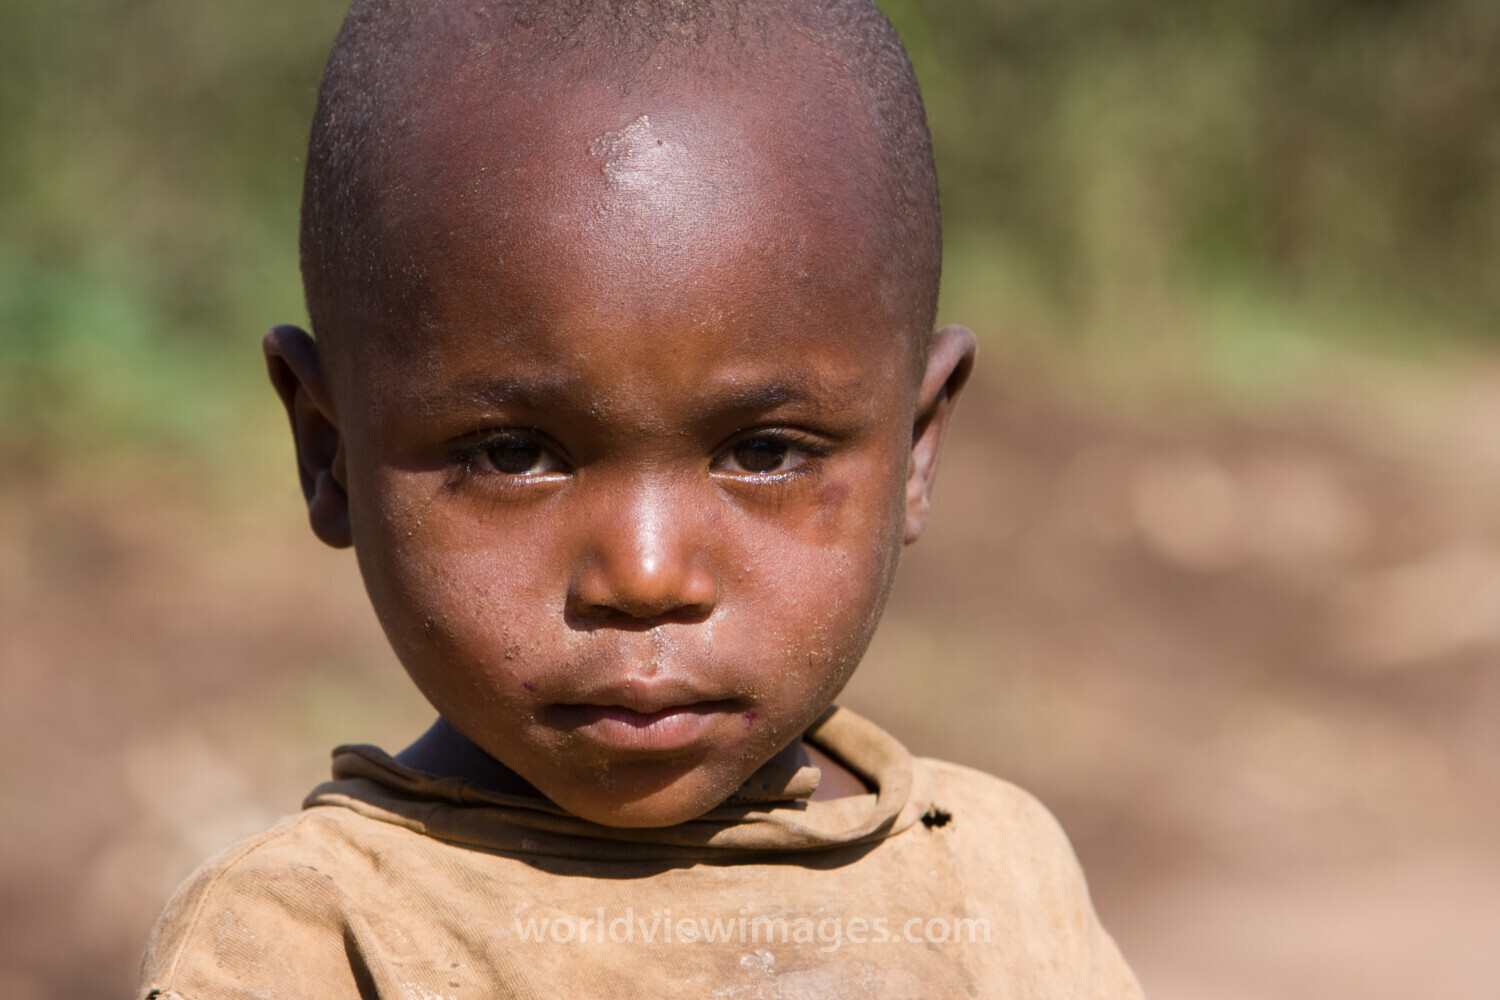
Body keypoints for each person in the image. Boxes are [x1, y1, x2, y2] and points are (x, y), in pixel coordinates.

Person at [138, 1, 1141, 996]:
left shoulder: (994, 882)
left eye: (763, 450)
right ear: (330, 451)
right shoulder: (308, 940)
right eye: (513, 452)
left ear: (915, 448)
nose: (648, 575)